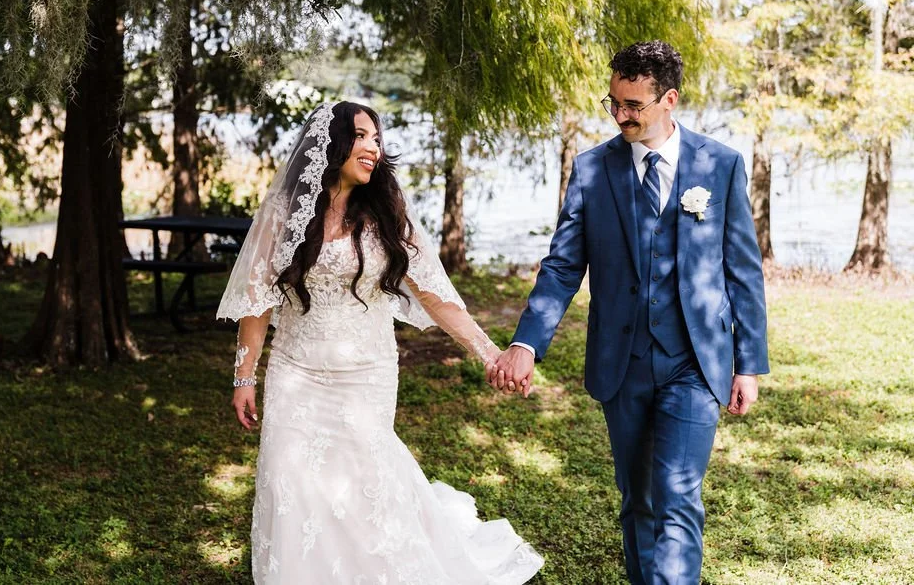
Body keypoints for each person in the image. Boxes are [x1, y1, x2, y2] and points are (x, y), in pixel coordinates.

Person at [218, 101, 544, 584]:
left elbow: (435, 296)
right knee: (291, 484)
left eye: (377, 138)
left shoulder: (388, 213)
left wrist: (490, 353)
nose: (373, 147)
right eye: (362, 136)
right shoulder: (286, 214)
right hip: (295, 370)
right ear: (330, 145)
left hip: (366, 372)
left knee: (364, 480)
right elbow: (257, 300)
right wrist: (245, 374)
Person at [490, 41, 770, 584]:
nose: (621, 115)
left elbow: (742, 271)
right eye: (613, 102)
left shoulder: (721, 165)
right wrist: (526, 344)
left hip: (695, 360)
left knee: (676, 495)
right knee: (638, 497)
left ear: (669, 100)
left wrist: (748, 363)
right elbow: (563, 266)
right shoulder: (593, 169)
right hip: (623, 359)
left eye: (633, 105)